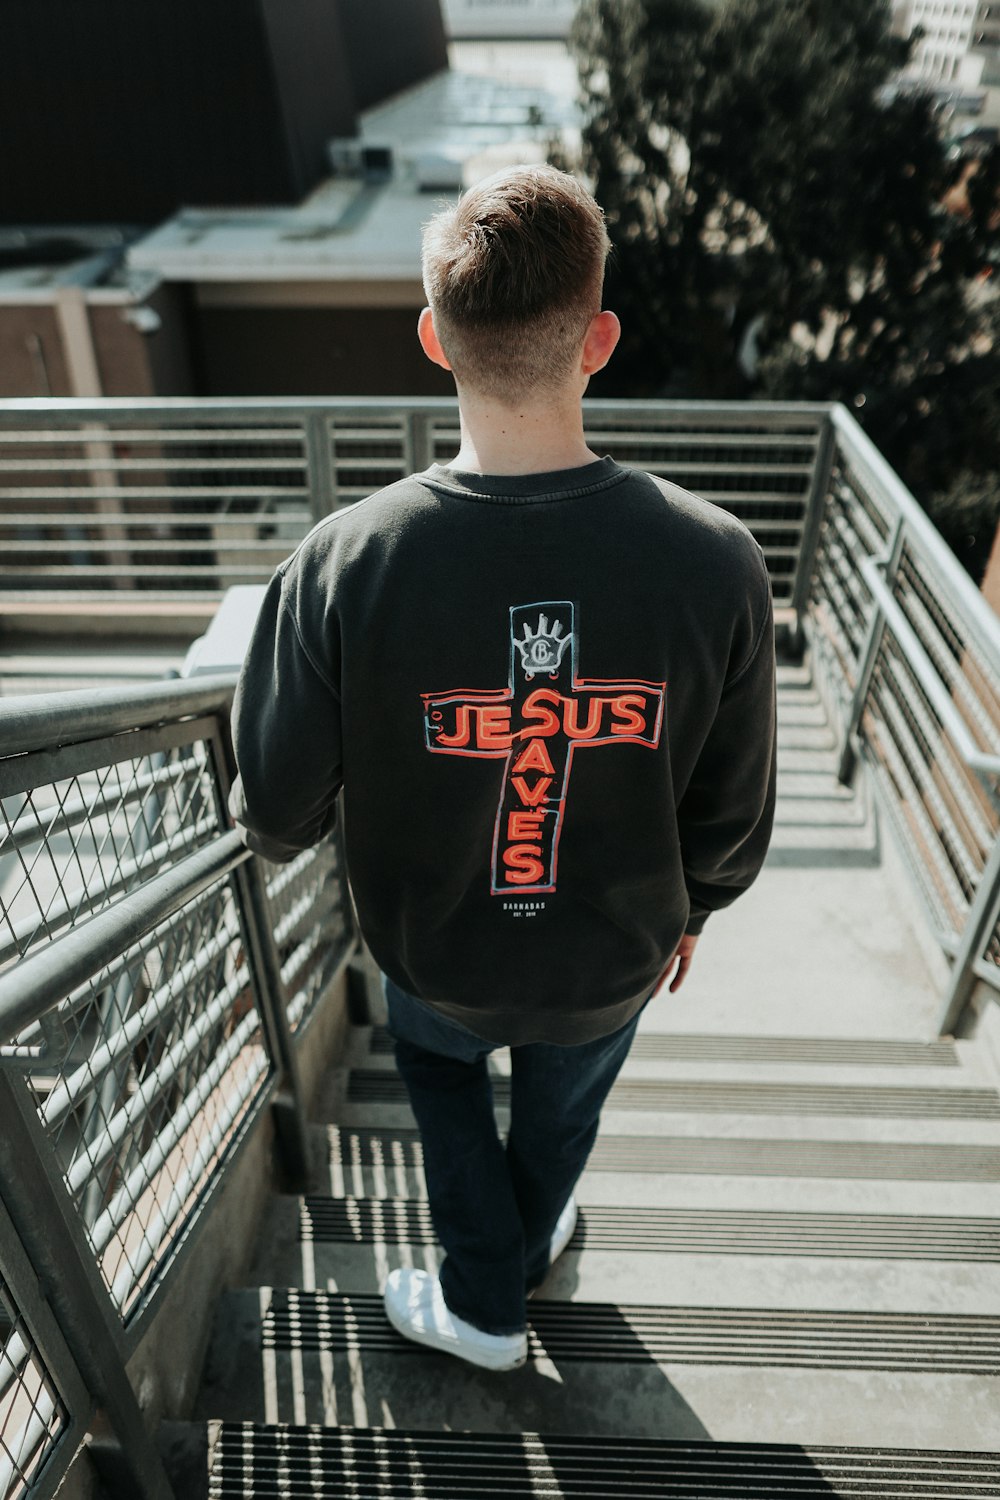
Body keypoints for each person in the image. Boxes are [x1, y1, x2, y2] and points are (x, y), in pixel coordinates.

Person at [228, 164, 777, 1373]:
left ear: (433, 337)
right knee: (565, 1102)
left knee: (435, 1066)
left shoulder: (338, 566)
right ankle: (519, 1252)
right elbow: (732, 806)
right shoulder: (719, 560)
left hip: (438, 936)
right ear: (601, 339)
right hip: (618, 938)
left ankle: (485, 1302)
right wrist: (702, 904)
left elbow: (272, 808)